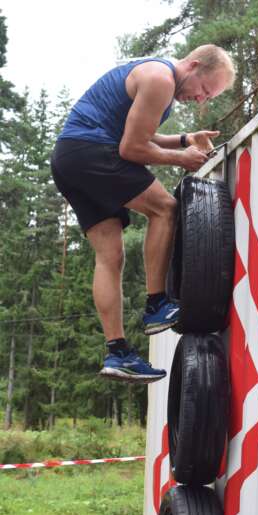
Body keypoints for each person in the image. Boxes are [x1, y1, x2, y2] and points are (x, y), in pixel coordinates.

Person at [51, 44, 235, 384]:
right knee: (165, 209)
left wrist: (184, 140)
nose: (202, 99)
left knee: (110, 256)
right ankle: (156, 305)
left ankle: (117, 351)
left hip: (69, 158)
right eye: (205, 89)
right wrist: (183, 159)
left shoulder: (157, 77)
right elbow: (131, 148)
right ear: (193, 65)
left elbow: (140, 134)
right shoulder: (160, 79)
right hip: (92, 151)